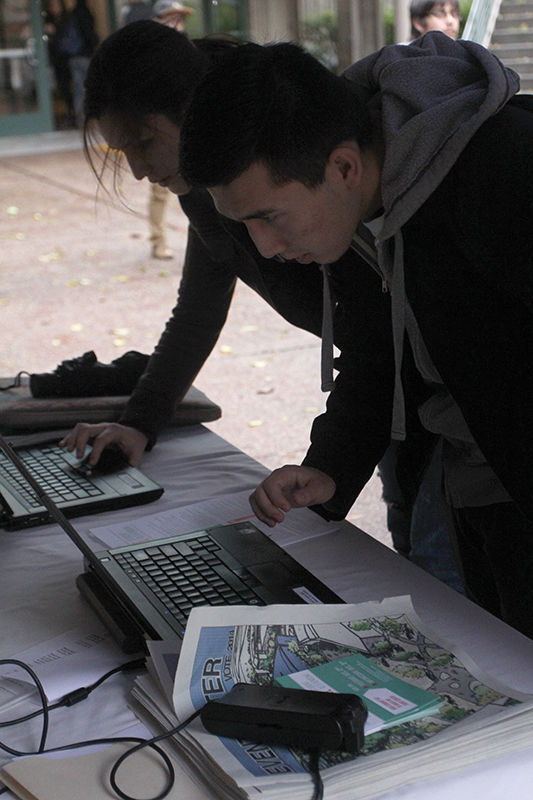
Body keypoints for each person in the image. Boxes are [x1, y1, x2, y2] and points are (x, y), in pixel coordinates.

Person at [178, 36, 533, 638]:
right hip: (476, 489)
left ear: (342, 166)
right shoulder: (356, 205)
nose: (264, 249)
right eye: (244, 224)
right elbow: (379, 348)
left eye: (268, 216)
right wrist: (332, 468)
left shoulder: (500, 171)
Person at [61, 22, 383, 506]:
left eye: (143, 144)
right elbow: (199, 306)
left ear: (193, 109)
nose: (137, 172)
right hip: (380, 390)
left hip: (411, 386)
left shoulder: (285, 152)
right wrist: (139, 421)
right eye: (122, 152)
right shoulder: (203, 188)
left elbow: (377, 326)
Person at [376, 0, 464, 587]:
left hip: (459, 427)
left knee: (438, 576)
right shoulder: (377, 186)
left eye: (457, 12)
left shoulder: (470, 170)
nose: (451, 22)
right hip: (405, 402)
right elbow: (369, 335)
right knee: (416, 545)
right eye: (442, 11)